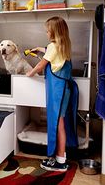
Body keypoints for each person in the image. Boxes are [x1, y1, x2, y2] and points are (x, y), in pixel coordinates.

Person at [26, 16, 78, 172]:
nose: (46, 33)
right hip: (64, 89)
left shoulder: (53, 47)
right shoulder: (63, 45)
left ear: (54, 32)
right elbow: (50, 50)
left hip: (58, 91)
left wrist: (31, 72)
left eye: (48, 31)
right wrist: (40, 49)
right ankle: (60, 157)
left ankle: (60, 161)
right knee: (60, 122)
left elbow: (42, 64)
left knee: (57, 123)